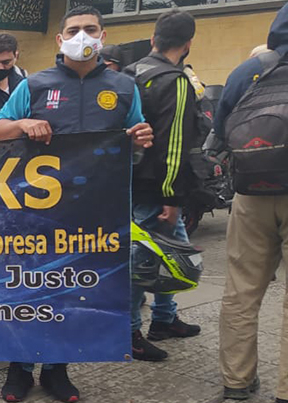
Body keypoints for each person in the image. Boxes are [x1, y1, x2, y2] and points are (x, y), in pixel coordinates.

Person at [0, 6, 153, 402]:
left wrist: (139, 141)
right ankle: (19, 369)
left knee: (74, 291)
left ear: (102, 35)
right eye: (74, 30)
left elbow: (134, 147)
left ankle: (56, 370)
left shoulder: (124, 88)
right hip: (36, 211)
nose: (83, 36)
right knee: (29, 288)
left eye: (90, 29)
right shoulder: (34, 86)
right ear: (60, 39)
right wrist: (23, 124)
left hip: (96, 210)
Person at [215, 4, 288, 402]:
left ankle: (237, 384)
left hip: (250, 193)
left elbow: (221, 130)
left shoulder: (249, 70)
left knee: (240, 292)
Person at [123, 9, 202, 363]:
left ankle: (165, 319)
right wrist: (172, 197)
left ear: (154, 39)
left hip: (128, 181)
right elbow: (174, 144)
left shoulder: (130, 73)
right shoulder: (176, 80)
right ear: (188, 44)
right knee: (145, 263)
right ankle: (130, 332)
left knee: (168, 255)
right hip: (157, 188)